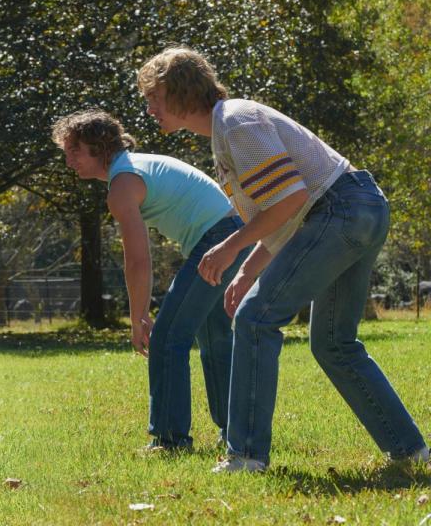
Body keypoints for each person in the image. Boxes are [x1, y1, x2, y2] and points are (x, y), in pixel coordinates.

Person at [137, 46, 429, 473]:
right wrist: (247, 273)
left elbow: (291, 200)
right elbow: (282, 215)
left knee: (256, 318)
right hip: (356, 209)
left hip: (339, 211)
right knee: (334, 343)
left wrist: (231, 247)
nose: (148, 109)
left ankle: (247, 455)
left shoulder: (235, 121)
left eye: (153, 97)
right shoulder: (227, 129)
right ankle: (412, 453)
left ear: (179, 92)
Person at [53, 109, 249, 452]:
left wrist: (139, 317)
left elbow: (138, 261)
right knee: (214, 335)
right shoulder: (133, 167)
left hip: (219, 239)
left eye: (75, 151)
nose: (69, 161)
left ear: (99, 148)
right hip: (234, 233)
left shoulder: (123, 183)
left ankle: (170, 440)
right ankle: (236, 431)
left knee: (168, 337)